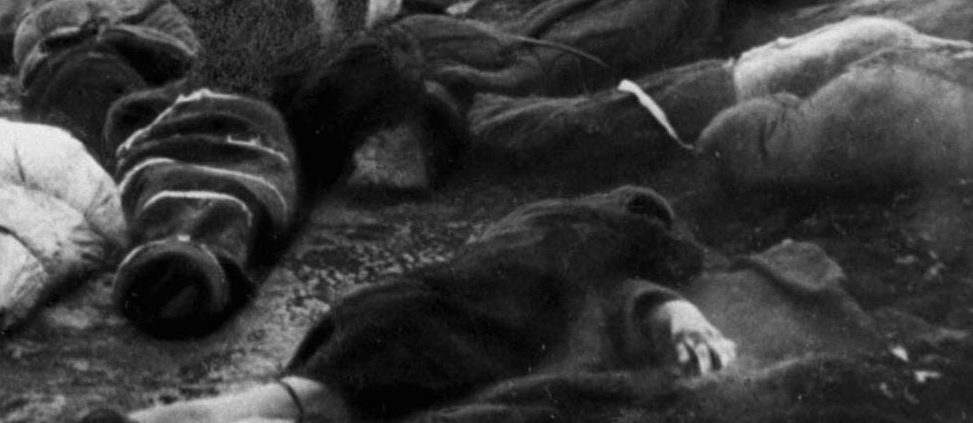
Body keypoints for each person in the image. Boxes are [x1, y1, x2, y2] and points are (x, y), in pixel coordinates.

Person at [77, 187, 735, 423]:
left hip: (389, 307)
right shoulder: (601, 256)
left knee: (285, 400)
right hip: (425, 342)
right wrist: (689, 316)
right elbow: (652, 302)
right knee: (289, 407)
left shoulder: (525, 230)